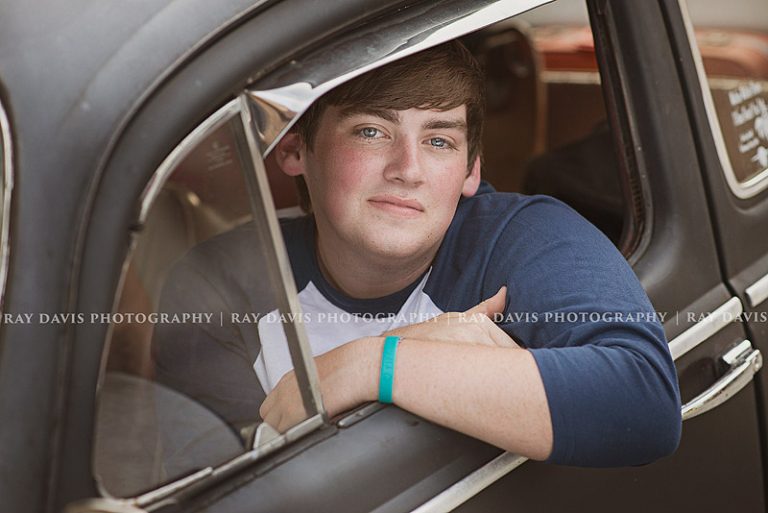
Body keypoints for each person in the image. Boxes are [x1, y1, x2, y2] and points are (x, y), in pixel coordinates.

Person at [153, 41, 681, 467]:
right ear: (294, 149)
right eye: (370, 131)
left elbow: (642, 402)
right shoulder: (220, 283)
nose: (407, 168)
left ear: (472, 170)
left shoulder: (519, 236)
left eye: (439, 141)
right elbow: (238, 482)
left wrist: (373, 363)